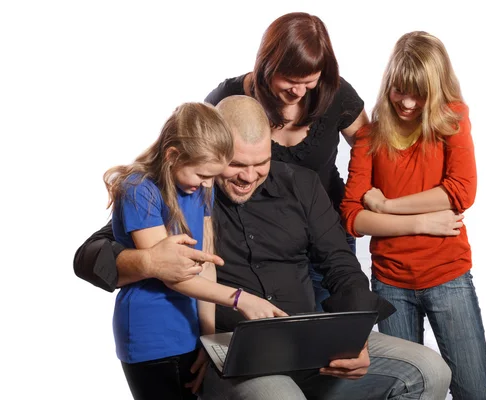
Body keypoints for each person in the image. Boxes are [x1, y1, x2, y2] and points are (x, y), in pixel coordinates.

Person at [75, 95, 452, 399]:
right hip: (238, 351)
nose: (248, 176)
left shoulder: (301, 186)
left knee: (430, 371)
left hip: (310, 339)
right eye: (236, 164)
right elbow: (91, 255)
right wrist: (148, 261)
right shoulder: (185, 190)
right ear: (217, 151)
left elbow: (340, 264)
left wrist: (353, 338)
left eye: (261, 163)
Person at [340, 31, 486, 399]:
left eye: (419, 93)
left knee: (473, 390)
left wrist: (388, 205)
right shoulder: (370, 137)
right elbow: (353, 216)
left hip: (447, 276)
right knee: (404, 388)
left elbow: (461, 191)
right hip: (391, 282)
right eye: (399, 90)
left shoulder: (453, 119)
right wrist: (420, 221)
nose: (407, 103)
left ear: (437, 89)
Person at [103, 102, 285, 400]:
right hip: (151, 336)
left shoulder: (201, 189)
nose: (209, 184)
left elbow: (207, 266)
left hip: (188, 331)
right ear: (173, 156)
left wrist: (209, 339)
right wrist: (240, 299)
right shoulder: (140, 189)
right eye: (202, 175)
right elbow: (170, 273)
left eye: (214, 176)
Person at [205, 12, 368, 310]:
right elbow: (196, 158)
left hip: (327, 231)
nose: (299, 91)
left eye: (309, 82)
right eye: (290, 81)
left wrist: (365, 204)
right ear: (267, 66)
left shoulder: (336, 93)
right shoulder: (228, 98)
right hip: (265, 238)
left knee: (332, 332)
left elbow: (369, 151)